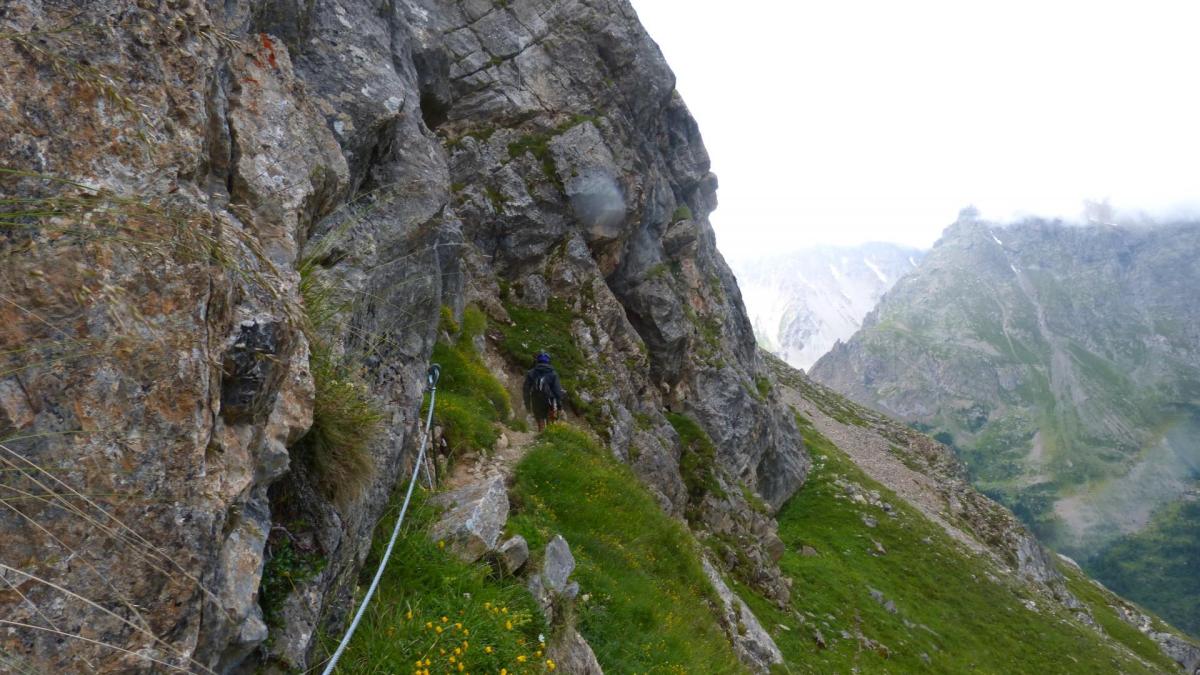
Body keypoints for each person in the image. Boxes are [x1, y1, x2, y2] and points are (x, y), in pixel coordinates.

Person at [523, 351, 565, 431]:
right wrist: (559, 406)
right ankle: (550, 437)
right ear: (549, 362)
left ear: (537, 361)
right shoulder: (553, 374)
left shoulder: (531, 373)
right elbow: (557, 392)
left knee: (540, 419)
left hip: (536, 399)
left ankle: (541, 434)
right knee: (551, 421)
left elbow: (526, 390)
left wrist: (527, 405)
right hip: (550, 401)